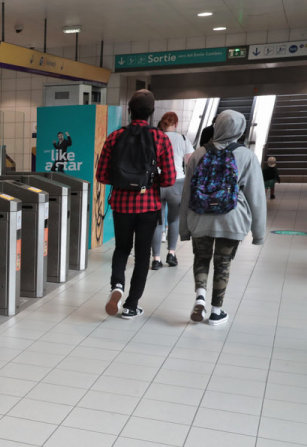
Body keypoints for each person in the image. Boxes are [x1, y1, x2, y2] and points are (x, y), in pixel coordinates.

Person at [180, 110, 266, 326]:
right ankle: (216, 312)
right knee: (223, 263)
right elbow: (256, 196)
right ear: (240, 129)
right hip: (232, 218)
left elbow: (186, 195)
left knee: (201, 258)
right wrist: (259, 234)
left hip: (199, 217)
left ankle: (200, 296)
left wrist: (184, 229)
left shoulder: (199, 153)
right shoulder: (247, 155)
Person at [97, 90, 176, 319]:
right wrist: (148, 179)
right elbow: (170, 179)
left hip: (121, 204)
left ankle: (117, 287)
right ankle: (131, 305)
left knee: (122, 248)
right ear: (152, 113)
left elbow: (102, 175)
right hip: (149, 205)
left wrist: (124, 180)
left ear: (129, 110)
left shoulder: (114, 136)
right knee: (143, 255)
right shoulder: (160, 138)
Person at [151, 112, 194, 270]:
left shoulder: (155, 138)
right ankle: (171, 253)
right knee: (174, 220)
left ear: (162, 124)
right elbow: (190, 163)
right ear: (176, 124)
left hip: (157, 183)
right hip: (177, 183)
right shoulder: (183, 139)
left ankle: (156, 259)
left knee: (157, 222)